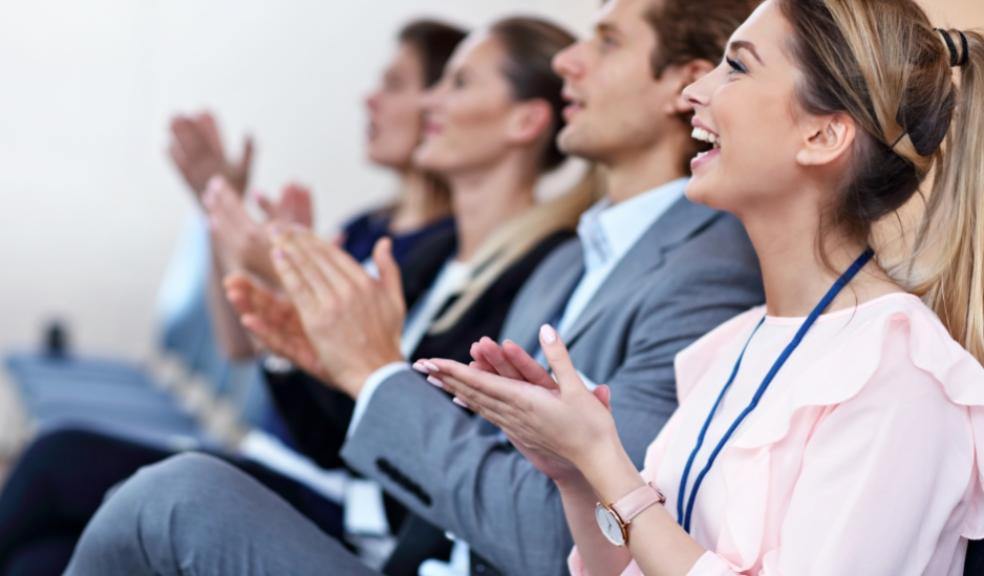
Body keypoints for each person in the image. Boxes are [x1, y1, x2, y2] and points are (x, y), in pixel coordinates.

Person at [61, 0, 764, 575]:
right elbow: (471, 455)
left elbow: (567, 541)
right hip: (416, 548)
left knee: (170, 497)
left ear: (684, 85)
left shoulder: (703, 274)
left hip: (422, 540)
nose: (567, 63)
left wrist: (370, 371)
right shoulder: (572, 260)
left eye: (606, 42)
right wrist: (331, 361)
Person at [2, 15, 589, 576]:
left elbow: (401, 435)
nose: (431, 102)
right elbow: (314, 400)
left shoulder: (537, 270)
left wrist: (288, 293)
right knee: (41, 560)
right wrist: (282, 321)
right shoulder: (436, 252)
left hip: (366, 517)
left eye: (456, 85)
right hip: (322, 481)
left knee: (60, 461)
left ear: (525, 122)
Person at [417, 1, 984, 574]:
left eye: (736, 68)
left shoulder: (901, 374)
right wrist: (573, 472)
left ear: (822, 134)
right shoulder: (734, 342)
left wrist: (602, 457)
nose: (697, 92)